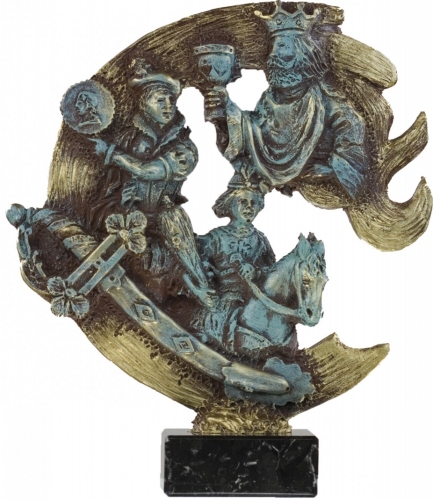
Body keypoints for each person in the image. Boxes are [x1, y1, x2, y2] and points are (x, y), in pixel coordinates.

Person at [204, 1, 368, 199]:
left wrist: (330, 169)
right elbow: (256, 132)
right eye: (272, 49)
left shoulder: (325, 100)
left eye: (281, 47)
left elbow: (352, 129)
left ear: (301, 54)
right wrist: (227, 113)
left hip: (319, 186)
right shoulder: (269, 99)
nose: (273, 57)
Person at [90, 62, 217, 310]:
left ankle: (201, 286)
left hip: (161, 219)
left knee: (174, 219)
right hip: (126, 216)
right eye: (160, 100)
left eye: (171, 100)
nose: (168, 106)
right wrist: (120, 198)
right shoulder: (126, 138)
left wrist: (110, 153)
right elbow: (109, 185)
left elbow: (147, 171)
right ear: (144, 103)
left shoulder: (184, 147)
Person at [197, 185, 275, 346]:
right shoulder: (216, 238)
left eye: (253, 203)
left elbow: (273, 271)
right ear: (231, 205)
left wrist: (256, 272)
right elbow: (199, 266)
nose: (249, 207)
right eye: (242, 202)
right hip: (226, 297)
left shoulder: (261, 240)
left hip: (256, 297)